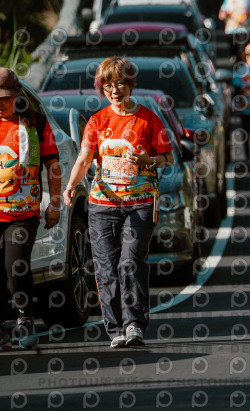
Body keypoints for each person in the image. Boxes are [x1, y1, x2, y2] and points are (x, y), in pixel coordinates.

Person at [63, 57, 174, 348]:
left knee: (131, 261)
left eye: (121, 83)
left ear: (131, 85)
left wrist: (148, 160)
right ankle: (115, 329)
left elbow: (168, 157)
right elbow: (84, 159)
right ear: (101, 88)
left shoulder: (149, 119)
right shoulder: (97, 121)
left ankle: (134, 323)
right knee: (106, 267)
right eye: (108, 85)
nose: (115, 90)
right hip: (103, 205)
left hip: (141, 202)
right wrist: (71, 185)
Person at [0, 67, 61, 351]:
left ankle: (25, 318)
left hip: (22, 213)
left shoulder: (35, 123)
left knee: (16, 265)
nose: (0, 103)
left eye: (4, 98)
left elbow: (53, 166)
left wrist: (55, 204)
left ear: (17, 96)